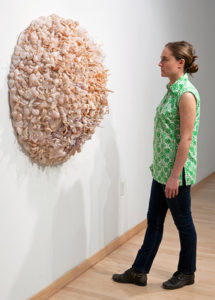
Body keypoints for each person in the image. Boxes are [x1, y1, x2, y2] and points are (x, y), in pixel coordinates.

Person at [112, 41, 200, 290]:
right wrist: (164, 174)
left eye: (165, 59)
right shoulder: (171, 90)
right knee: (154, 221)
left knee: (183, 222)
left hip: (176, 175)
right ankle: (139, 271)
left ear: (180, 63)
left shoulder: (186, 94)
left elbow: (186, 139)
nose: (159, 63)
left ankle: (187, 272)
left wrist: (174, 177)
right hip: (161, 171)